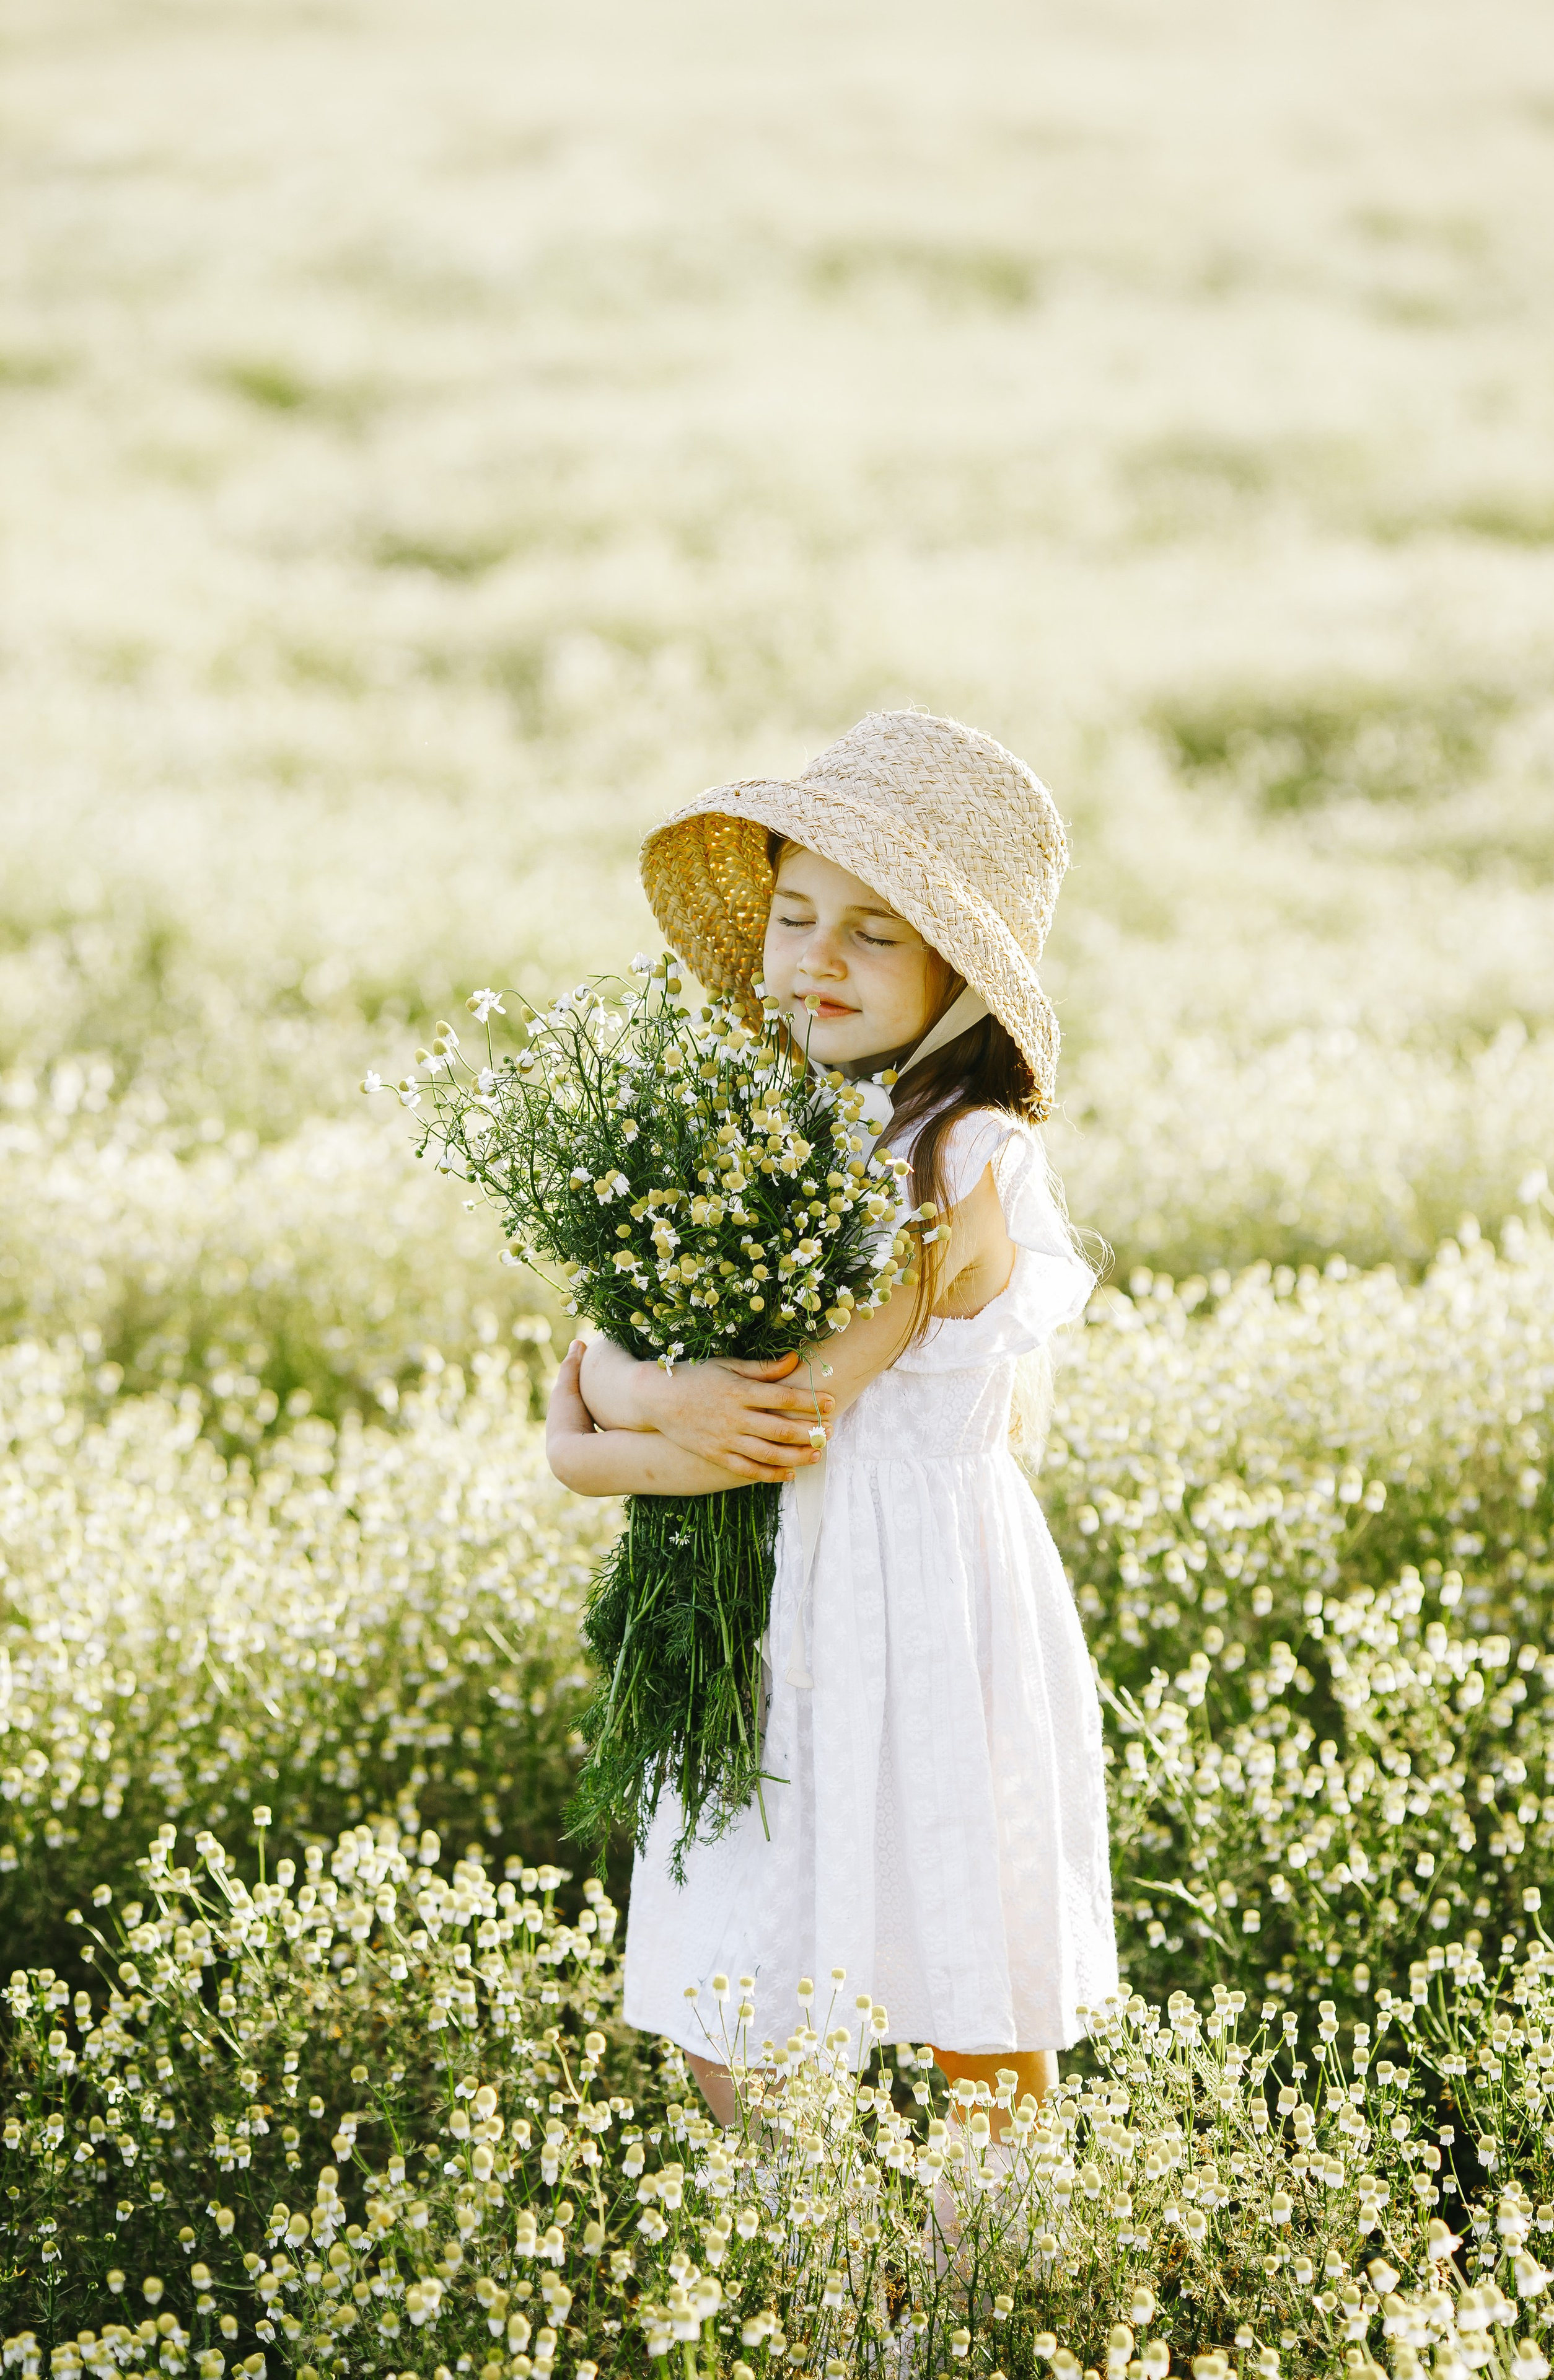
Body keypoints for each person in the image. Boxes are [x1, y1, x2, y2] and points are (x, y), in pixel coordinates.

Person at [545, 708, 1118, 2129]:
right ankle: (808, 2268)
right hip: (770, 1602)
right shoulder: (766, 1121)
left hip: (913, 1596)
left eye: (873, 931)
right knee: (727, 1987)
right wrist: (633, 1395)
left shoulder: (955, 1157)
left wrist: (603, 1420)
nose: (816, 956)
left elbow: (797, 1405)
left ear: (959, 977)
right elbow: (616, 1379)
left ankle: (989, 2275)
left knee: (962, 1967)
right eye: (795, 914)